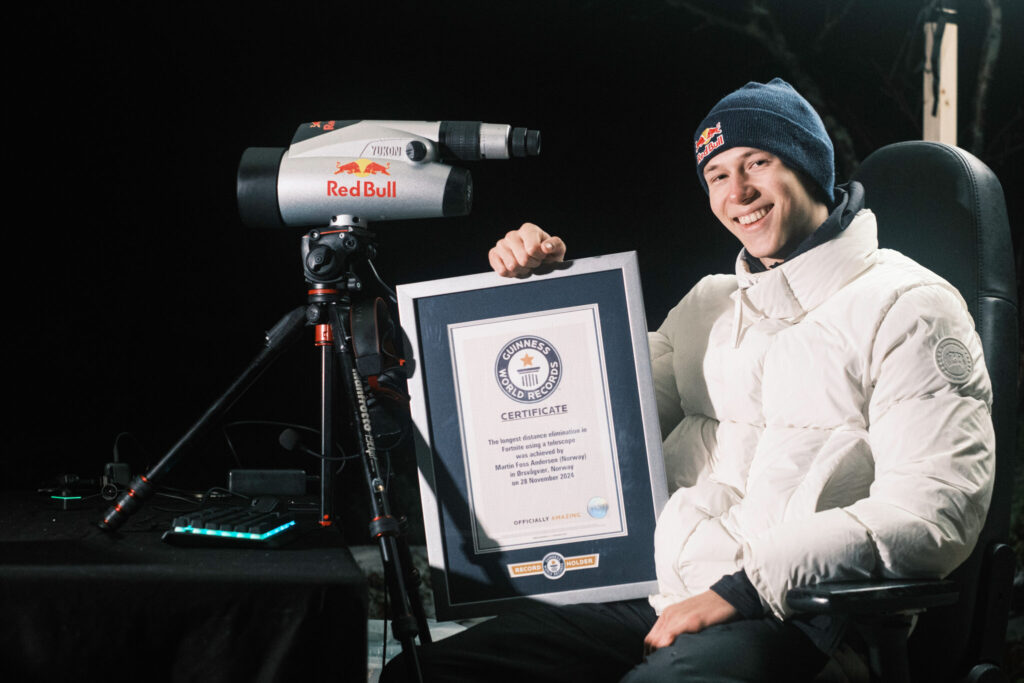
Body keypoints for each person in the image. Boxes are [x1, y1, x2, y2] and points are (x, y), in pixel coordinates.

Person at [381, 78, 994, 682]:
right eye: (718, 175)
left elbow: (933, 513)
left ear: (811, 166)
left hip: (808, 617)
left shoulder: (909, 306)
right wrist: (545, 295)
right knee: (428, 672)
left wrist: (747, 587)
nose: (740, 191)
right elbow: (597, 414)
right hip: (660, 595)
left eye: (758, 161)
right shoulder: (709, 304)